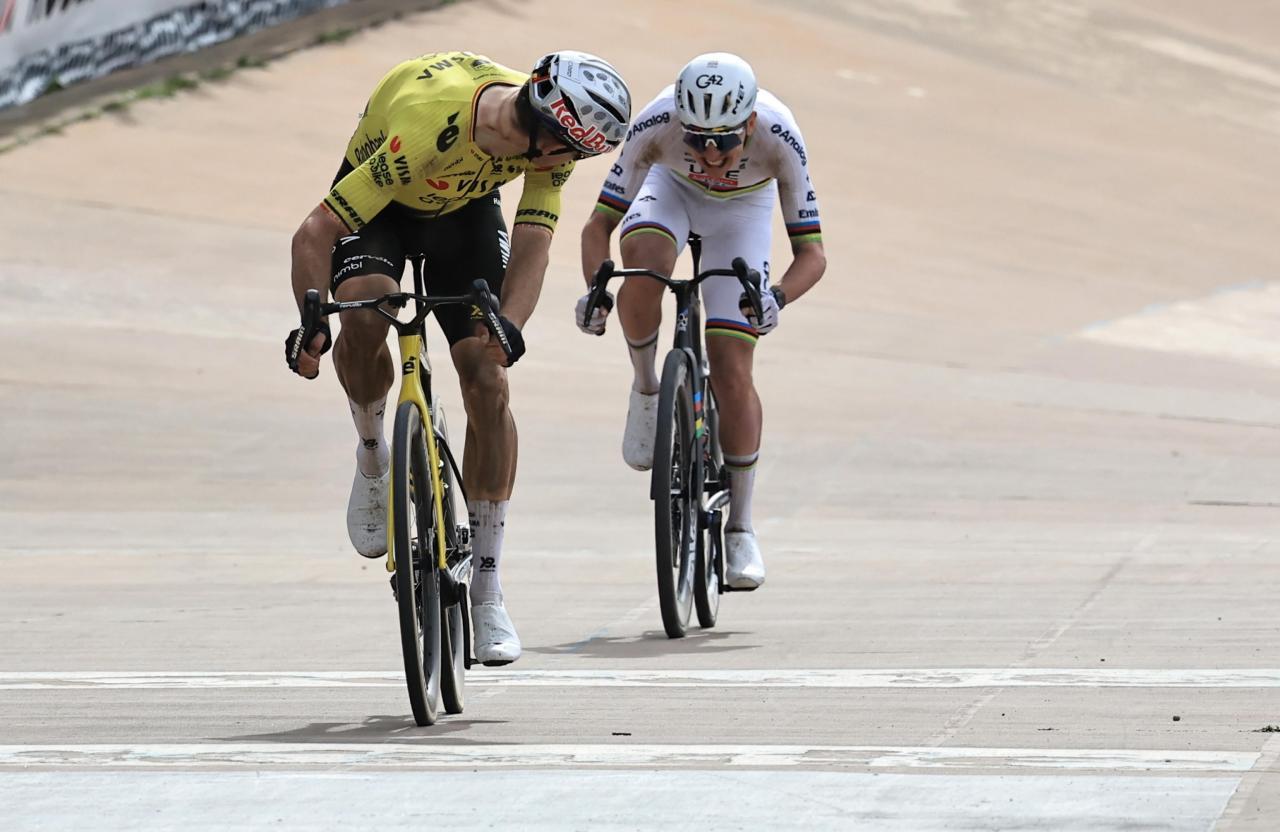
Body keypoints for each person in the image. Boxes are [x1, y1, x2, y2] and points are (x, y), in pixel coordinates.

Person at [288, 50, 631, 664]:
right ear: (543, 128)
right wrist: (311, 324)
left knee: (488, 378)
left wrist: (510, 327)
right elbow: (314, 232)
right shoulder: (431, 121)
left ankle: (488, 588)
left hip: (466, 212)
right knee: (364, 318)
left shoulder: (555, 140)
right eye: (570, 152)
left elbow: (533, 239)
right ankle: (373, 454)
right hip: (384, 202)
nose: (570, 163)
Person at [578, 52, 825, 590]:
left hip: (742, 213)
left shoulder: (780, 136)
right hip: (669, 192)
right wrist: (597, 288)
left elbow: (812, 254)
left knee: (732, 366)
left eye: (724, 142)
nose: (711, 154)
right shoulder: (656, 122)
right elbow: (598, 226)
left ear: (750, 124)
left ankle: (740, 526)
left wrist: (777, 297)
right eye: (697, 140)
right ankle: (647, 388)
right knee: (643, 262)